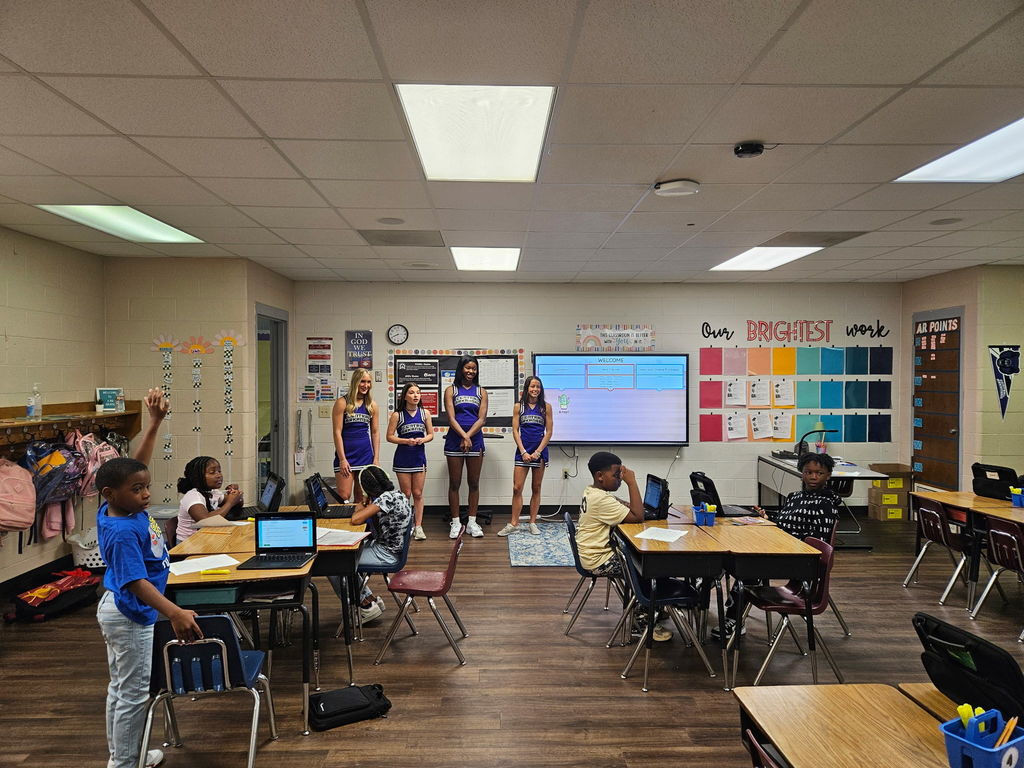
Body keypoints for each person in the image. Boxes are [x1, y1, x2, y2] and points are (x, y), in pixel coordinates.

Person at [96, 388, 202, 768]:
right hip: (130, 612)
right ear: (112, 493)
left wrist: (155, 422)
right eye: (137, 489)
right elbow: (134, 583)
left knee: (122, 689)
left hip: (124, 609)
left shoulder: (118, 506)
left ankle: (127, 755)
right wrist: (174, 612)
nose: (145, 494)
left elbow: (131, 466)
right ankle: (125, 763)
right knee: (134, 693)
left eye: (146, 487)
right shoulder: (122, 531)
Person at [712, 452, 841, 640]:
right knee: (730, 557)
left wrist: (784, 541)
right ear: (801, 473)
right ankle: (704, 593)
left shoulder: (827, 505)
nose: (813, 477)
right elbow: (785, 523)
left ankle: (733, 619)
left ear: (828, 475)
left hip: (800, 560)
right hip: (780, 549)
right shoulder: (794, 496)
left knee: (747, 568)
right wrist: (767, 519)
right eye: (808, 472)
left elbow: (816, 543)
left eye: (819, 473)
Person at [575, 451, 671, 642]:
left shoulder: (592, 491)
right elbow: (637, 517)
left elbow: (624, 507)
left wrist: (625, 502)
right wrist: (632, 482)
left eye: (621, 475)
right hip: (598, 560)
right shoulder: (601, 500)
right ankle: (642, 621)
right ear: (600, 476)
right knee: (646, 567)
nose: (620, 479)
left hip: (592, 554)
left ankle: (654, 606)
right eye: (616, 475)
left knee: (645, 561)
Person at [328, 465, 413, 623]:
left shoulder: (384, 498)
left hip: (387, 554)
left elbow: (356, 519)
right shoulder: (397, 494)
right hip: (389, 548)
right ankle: (368, 598)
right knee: (346, 554)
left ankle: (363, 606)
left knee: (335, 563)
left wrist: (360, 506)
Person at [499, 376, 553, 537]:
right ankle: (514, 523)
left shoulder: (546, 407)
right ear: (527, 388)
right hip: (522, 452)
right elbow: (515, 430)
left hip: (539, 453)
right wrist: (523, 451)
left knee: (536, 488)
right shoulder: (518, 407)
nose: (535, 389)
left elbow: (549, 432)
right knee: (517, 488)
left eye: (538, 387)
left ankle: (532, 522)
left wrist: (537, 452)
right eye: (532, 386)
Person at [443, 356, 488, 538]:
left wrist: (468, 437)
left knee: (474, 483)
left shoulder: (481, 392)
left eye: (474, 369)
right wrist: (463, 436)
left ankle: (471, 522)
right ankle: (455, 523)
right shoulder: (451, 390)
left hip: (475, 441)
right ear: (461, 369)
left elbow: (482, 418)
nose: (470, 371)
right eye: (467, 368)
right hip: (455, 440)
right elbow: (451, 418)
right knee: (454, 483)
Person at [387, 383, 434, 541]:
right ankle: (405, 525)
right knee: (406, 494)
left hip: (419, 457)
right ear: (404, 396)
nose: (415, 395)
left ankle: (418, 526)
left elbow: (431, 434)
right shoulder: (397, 415)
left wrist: (422, 439)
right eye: (412, 392)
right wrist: (405, 441)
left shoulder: (424, 413)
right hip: (403, 458)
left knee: (418, 493)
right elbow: (390, 436)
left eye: (418, 393)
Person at [332, 368, 380, 504]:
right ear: (355, 382)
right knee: (344, 496)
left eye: (369, 382)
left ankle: (360, 525)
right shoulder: (342, 403)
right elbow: (337, 432)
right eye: (362, 381)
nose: (366, 385)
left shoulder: (372, 405)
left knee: (362, 497)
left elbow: (375, 432)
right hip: (346, 455)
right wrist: (342, 459)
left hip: (365, 455)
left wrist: (376, 458)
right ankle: (343, 525)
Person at [175, 456, 243, 541]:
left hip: (206, 538)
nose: (219, 475)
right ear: (198, 477)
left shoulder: (213, 492)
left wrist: (235, 495)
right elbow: (206, 522)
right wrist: (230, 502)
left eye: (219, 471)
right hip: (189, 544)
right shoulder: (193, 496)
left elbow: (238, 503)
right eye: (212, 472)